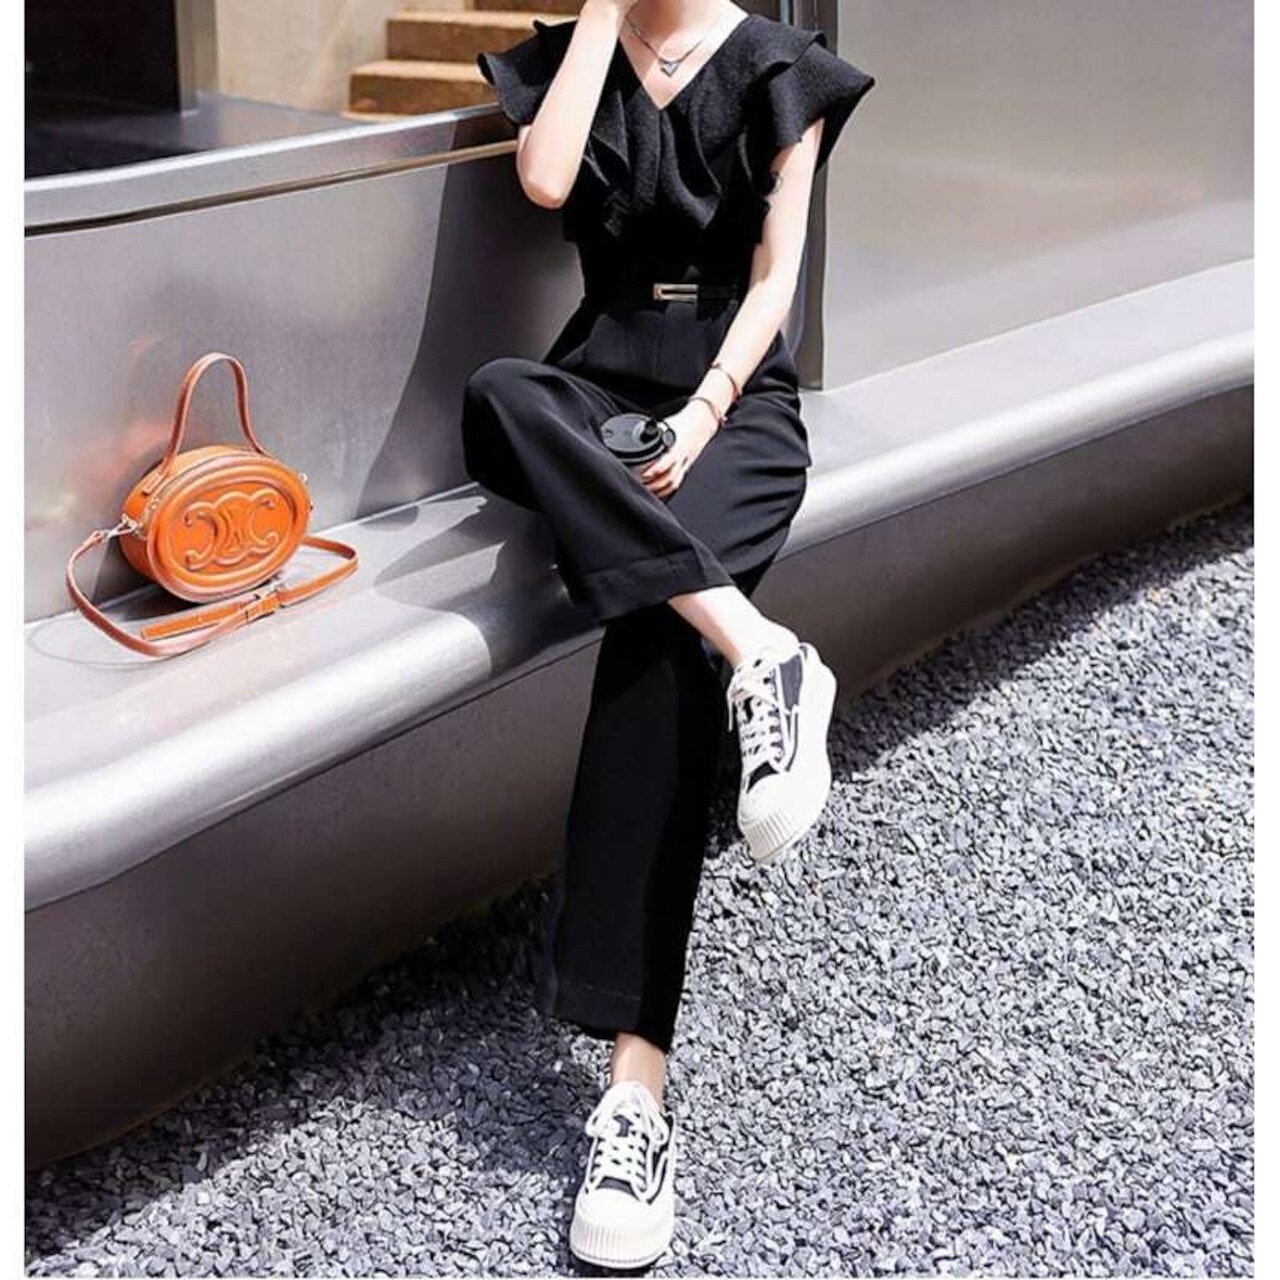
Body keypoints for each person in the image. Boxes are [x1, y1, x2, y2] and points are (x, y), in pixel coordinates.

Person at [463, 0, 875, 1267]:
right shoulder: (575, 57)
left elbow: (773, 279)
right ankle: (758, 646)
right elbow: (545, 180)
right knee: (499, 396)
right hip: (595, 391)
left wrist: (701, 415)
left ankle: (633, 1097)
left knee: (650, 649)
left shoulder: (780, 71)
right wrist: (598, 12)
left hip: (731, 408)